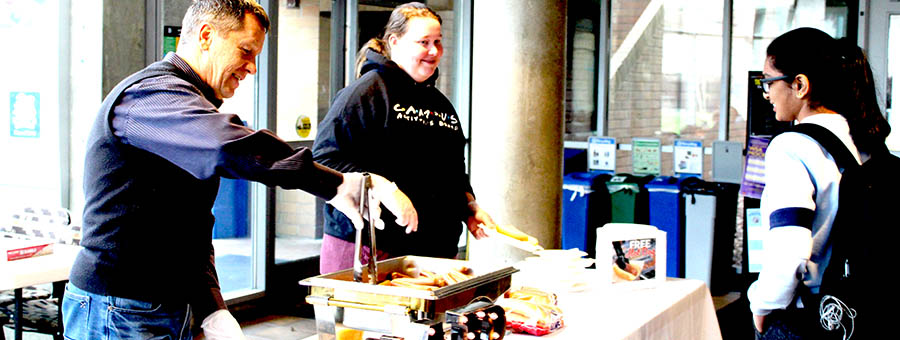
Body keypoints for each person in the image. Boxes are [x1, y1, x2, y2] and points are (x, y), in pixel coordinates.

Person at [61, 1, 418, 339]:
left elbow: (191, 226)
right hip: (119, 306)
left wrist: (211, 307)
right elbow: (227, 145)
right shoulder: (150, 96)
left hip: (165, 303)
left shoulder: (191, 103)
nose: (252, 68)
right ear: (206, 36)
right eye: (245, 52)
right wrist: (338, 185)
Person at [312, 2, 497, 274]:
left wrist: (469, 207)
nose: (434, 51)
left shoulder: (440, 103)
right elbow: (324, 159)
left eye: (438, 42)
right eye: (424, 42)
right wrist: (383, 188)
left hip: (435, 250)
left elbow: (454, 172)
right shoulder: (365, 93)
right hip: (370, 248)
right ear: (395, 42)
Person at [747, 27, 890, 339]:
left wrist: (762, 305)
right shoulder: (866, 140)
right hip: (861, 311)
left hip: (805, 317)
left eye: (768, 82)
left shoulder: (791, 146)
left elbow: (790, 247)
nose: (766, 94)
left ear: (800, 85)